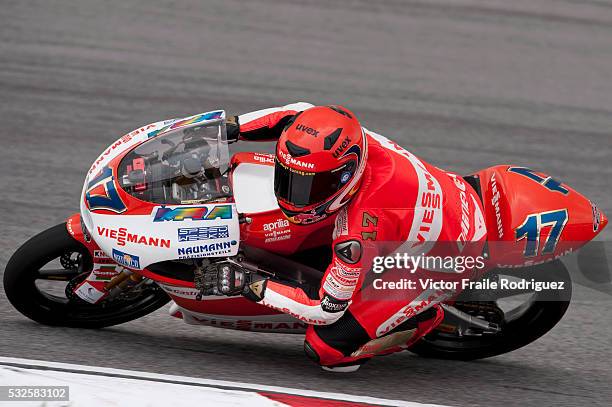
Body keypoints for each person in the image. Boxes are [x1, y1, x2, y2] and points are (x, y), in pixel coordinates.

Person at [221, 102, 487, 371]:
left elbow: (324, 309)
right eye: (289, 179)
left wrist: (249, 285)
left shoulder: (359, 230)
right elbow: (297, 113)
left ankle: (425, 320)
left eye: (312, 186)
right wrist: (229, 127)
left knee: (327, 349)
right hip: (449, 197)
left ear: (346, 175)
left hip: (444, 259)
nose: (294, 196)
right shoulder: (347, 139)